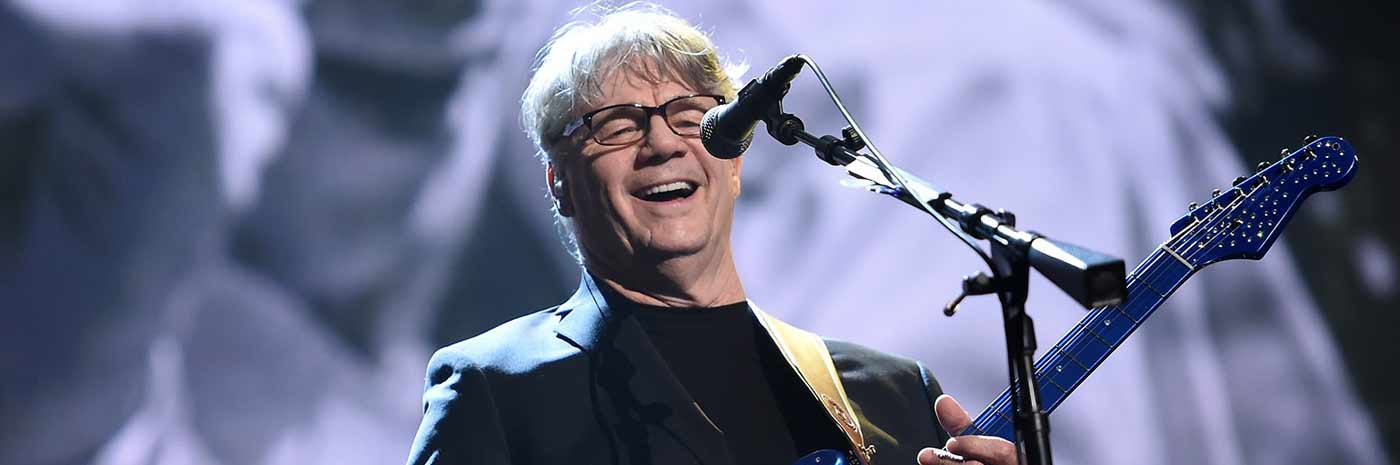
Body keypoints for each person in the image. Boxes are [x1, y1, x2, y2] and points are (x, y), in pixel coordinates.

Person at [404, 5, 1016, 465]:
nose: (663, 143)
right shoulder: (495, 386)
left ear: (735, 163)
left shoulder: (894, 393)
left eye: (692, 117)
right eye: (616, 125)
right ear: (559, 182)